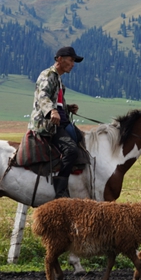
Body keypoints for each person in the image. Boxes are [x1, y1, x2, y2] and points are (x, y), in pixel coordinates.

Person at [29, 46, 84, 198]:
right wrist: (51, 111)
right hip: (46, 123)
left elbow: (57, 104)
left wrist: (67, 108)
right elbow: (43, 97)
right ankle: (60, 191)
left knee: (81, 139)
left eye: (74, 61)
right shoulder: (48, 75)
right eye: (71, 60)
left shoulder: (59, 80)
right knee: (71, 150)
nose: (73, 64)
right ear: (59, 59)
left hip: (58, 122)